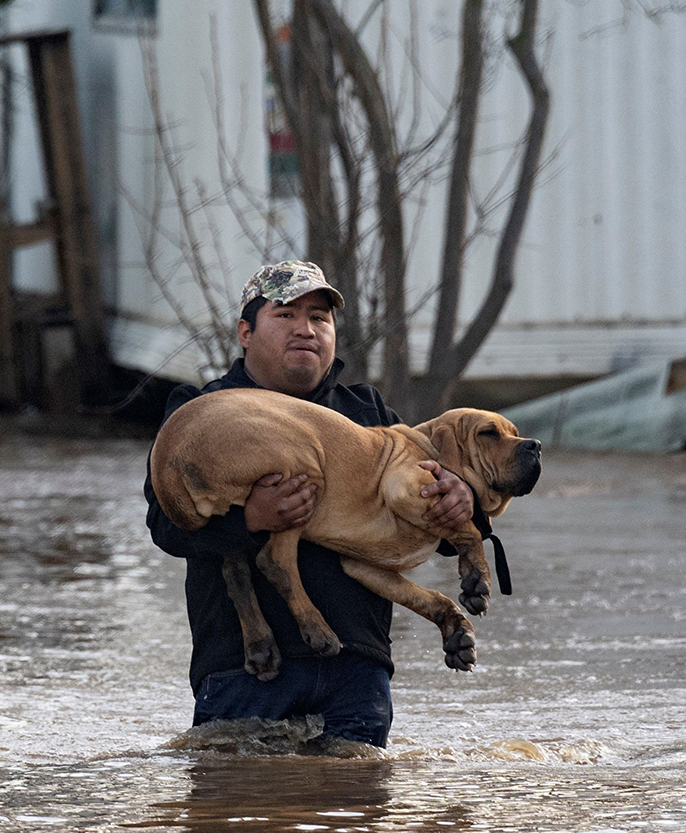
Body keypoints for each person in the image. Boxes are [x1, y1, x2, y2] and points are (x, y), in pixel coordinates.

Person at [145, 260, 474, 749]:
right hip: (244, 670)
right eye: (285, 315)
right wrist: (251, 519)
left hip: (356, 669)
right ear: (245, 332)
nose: (306, 329)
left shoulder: (368, 413)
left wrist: (461, 500)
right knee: (240, 816)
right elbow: (164, 525)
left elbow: (426, 521)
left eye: (319, 317)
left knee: (354, 818)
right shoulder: (202, 408)